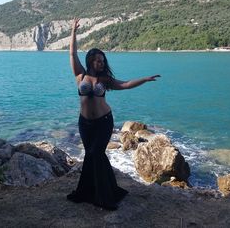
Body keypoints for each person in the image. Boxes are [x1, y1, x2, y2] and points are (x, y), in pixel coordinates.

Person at [66, 17, 160, 210]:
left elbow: (125, 85)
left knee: (96, 153)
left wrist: (144, 79)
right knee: (92, 156)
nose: (101, 63)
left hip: (103, 122)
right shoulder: (80, 75)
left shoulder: (106, 80)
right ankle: (92, 192)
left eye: (102, 61)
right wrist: (73, 32)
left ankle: (105, 197)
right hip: (84, 123)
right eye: (98, 60)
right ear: (91, 60)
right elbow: (72, 53)